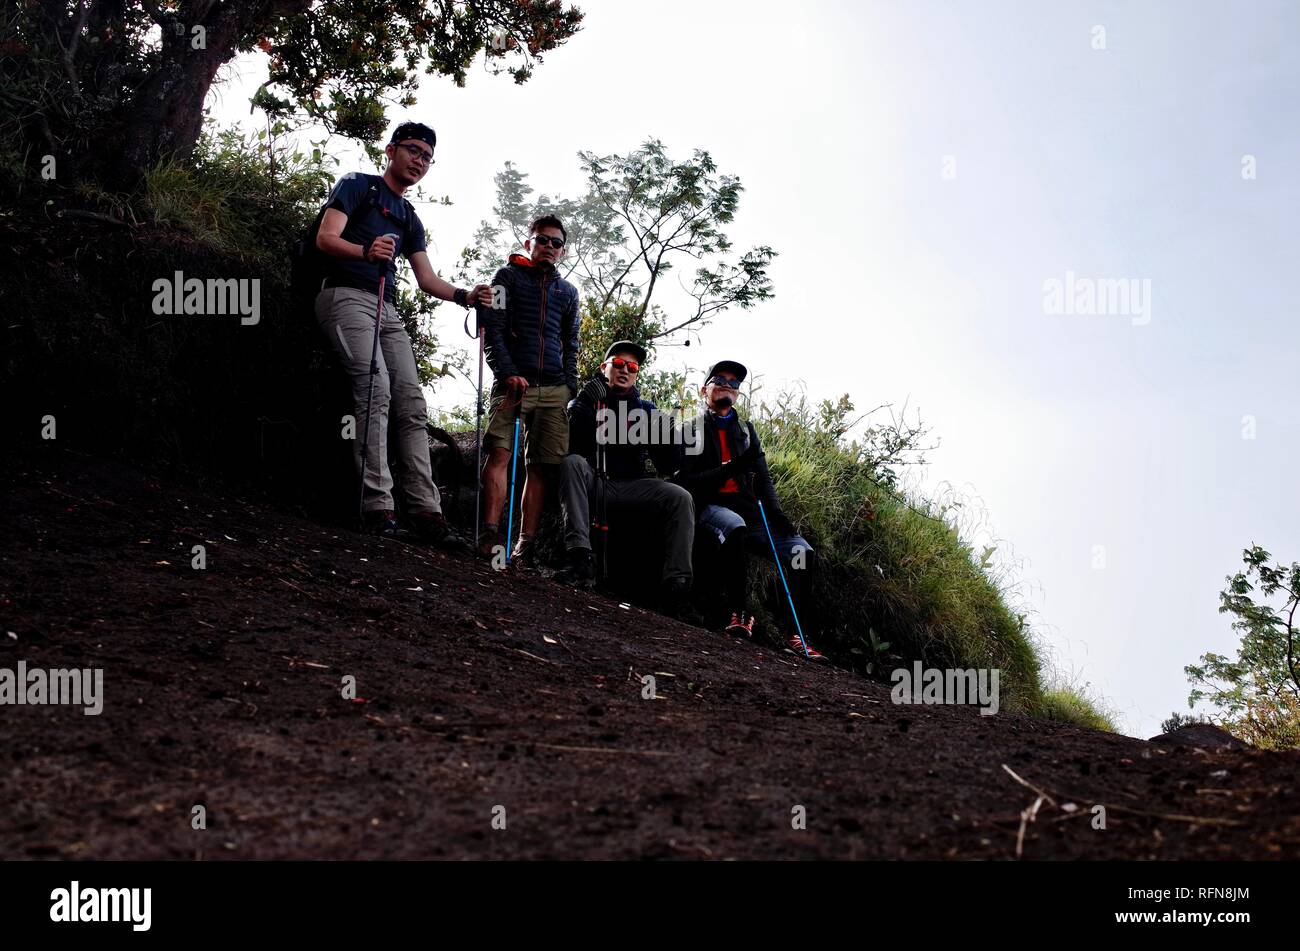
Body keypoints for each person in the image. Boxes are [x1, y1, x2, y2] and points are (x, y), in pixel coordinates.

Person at [314, 120, 490, 544]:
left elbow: (427, 279)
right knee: (375, 390)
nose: (420, 161)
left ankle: (426, 511)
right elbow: (325, 237)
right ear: (391, 150)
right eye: (413, 150)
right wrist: (364, 250)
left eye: (428, 157)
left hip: (385, 308)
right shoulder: (358, 185)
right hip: (344, 295)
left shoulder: (410, 217)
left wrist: (466, 295)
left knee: (411, 402)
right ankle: (377, 507)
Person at [673, 360, 826, 660]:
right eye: (720, 380)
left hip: (751, 511)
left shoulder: (746, 431)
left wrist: (777, 513)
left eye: (734, 383)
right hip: (710, 506)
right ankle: (739, 613)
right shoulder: (690, 429)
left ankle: (794, 634)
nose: (727, 386)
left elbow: (763, 478)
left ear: (738, 394)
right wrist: (728, 469)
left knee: (801, 553)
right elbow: (687, 482)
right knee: (735, 527)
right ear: (705, 390)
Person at [555, 342, 694, 610]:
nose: (624, 370)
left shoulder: (647, 409)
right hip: (595, 481)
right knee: (572, 463)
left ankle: (677, 585)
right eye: (618, 363)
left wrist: (669, 437)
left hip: (632, 484)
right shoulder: (583, 401)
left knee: (680, 497)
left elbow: (668, 466)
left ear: (637, 374)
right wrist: (583, 404)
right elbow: (571, 446)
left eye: (632, 367)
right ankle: (579, 558)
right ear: (604, 367)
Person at [475, 215, 580, 564]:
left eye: (556, 243)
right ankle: (490, 534)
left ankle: (525, 545)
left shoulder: (568, 292)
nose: (549, 246)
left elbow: (571, 343)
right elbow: (493, 329)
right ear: (528, 243)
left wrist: (569, 386)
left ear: (562, 251)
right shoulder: (506, 278)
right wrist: (507, 373)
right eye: (543, 239)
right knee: (500, 454)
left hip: (554, 390)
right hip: (513, 383)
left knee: (540, 467)